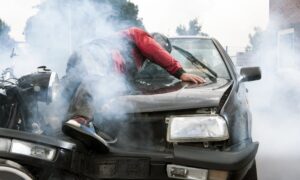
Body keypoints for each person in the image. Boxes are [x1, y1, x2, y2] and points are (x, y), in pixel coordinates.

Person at [61, 27, 205, 152]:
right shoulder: (139, 34)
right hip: (96, 53)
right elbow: (154, 50)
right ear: (156, 40)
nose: (153, 59)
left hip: (81, 56)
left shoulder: (132, 59)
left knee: (74, 87)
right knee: (96, 81)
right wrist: (180, 72)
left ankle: (65, 123)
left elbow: (117, 85)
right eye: (162, 48)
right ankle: (80, 120)